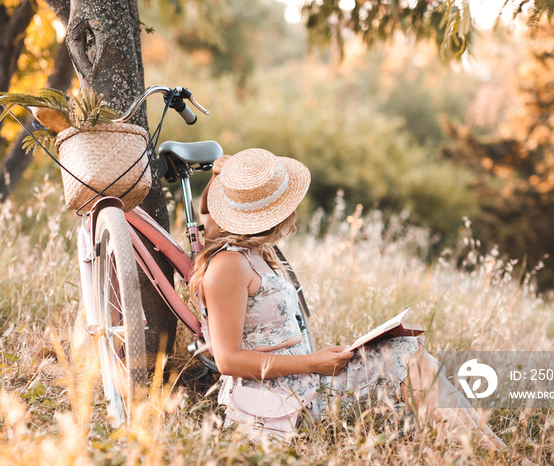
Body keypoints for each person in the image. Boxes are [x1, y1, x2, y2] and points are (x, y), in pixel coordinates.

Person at [190, 148, 505, 450]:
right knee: (404, 353)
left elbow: (209, 215)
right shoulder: (228, 266)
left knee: (405, 349)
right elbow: (228, 360)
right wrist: (313, 361)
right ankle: (483, 451)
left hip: (300, 381)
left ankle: (486, 448)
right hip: (280, 401)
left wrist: (223, 179)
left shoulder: (253, 251)